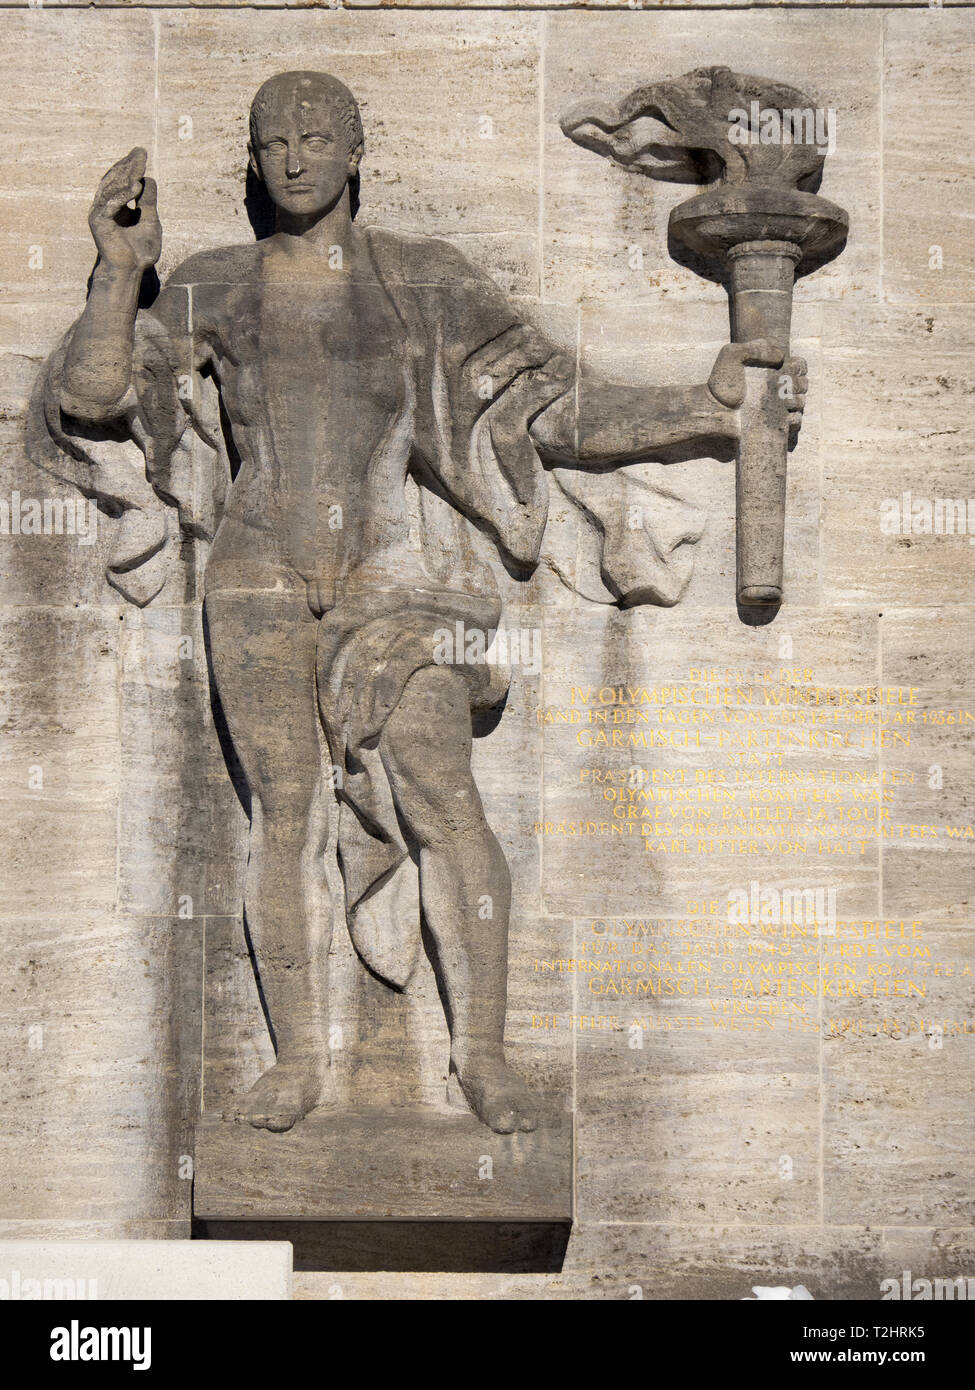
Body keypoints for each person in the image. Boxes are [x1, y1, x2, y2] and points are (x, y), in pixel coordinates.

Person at [32, 72, 805, 1133]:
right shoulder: (218, 284)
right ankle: (300, 1061)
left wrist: (706, 406)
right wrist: (121, 273)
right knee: (286, 815)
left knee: (445, 794)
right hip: (256, 576)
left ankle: (482, 1051)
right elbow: (91, 393)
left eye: (316, 137)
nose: (294, 157)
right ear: (254, 167)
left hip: (395, 577)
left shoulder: (423, 280)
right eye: (272, 143)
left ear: (358, 153)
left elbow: (553, 406)